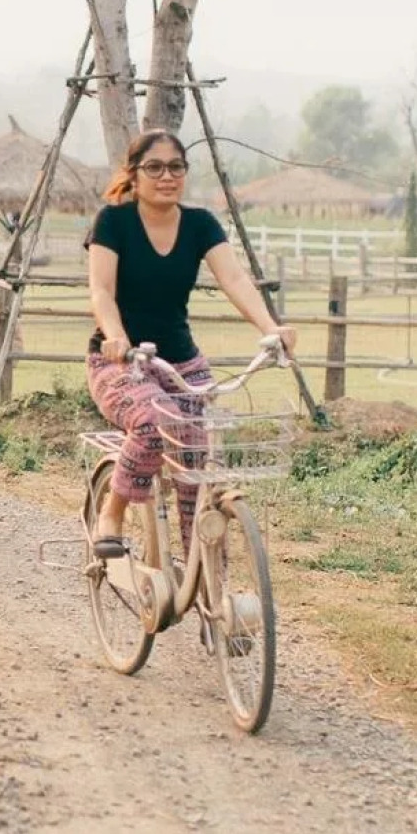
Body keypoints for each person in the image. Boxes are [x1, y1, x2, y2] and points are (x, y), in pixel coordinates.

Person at [86, 129, 296, 559]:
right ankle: (113, 512)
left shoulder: (200, 224)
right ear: (134, 174)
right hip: (121, 361)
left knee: (200, 458)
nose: (167, 176)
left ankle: (207, 583)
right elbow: (101, 291)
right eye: (154, 167)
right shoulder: (113, 222)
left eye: (176, 167)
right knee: (152, 424)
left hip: (182, 363)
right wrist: (116, 336)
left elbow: (234, 279)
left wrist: (271, 328)